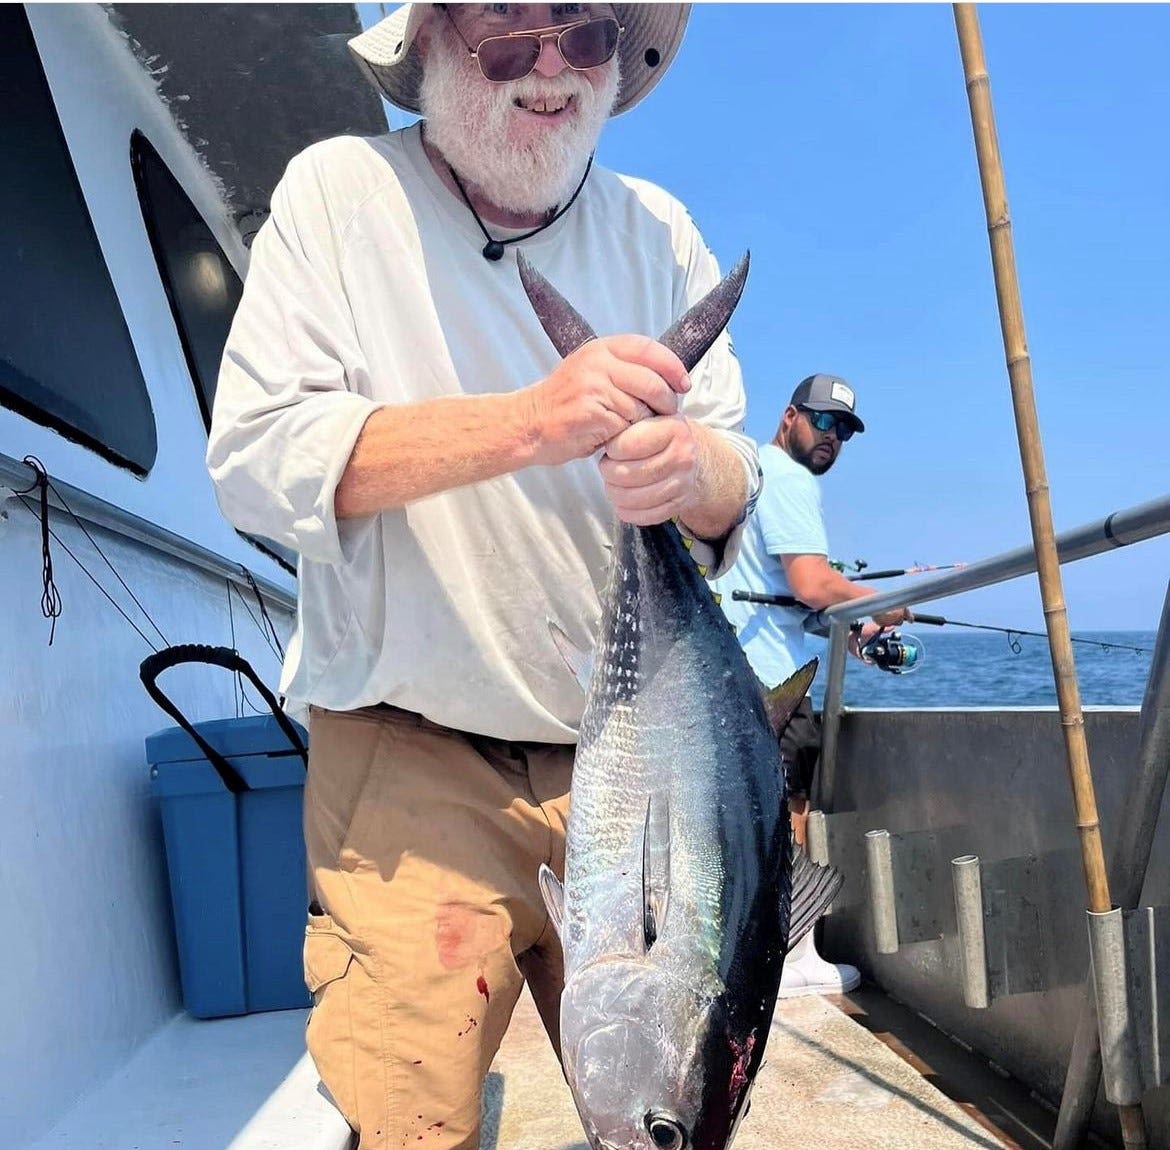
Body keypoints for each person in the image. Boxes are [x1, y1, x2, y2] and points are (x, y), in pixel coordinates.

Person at [206, 5, 760, 1148]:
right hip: (414, 756)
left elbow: (734, 475)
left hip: (636, 755)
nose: (550, 71)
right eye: (510, 33)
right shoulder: (341, 195)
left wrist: (687, 466)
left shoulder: (658, 231)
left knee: (671, 1094)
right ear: (433, 45)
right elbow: (258, 461)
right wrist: (528, 423)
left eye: (586, 34)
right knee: (412, 1114)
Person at [713, 372, 912, 998]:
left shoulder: (755, 475)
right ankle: (792, 952)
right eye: (823, 422)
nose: (832, 439)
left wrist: (847, 625)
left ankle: (748, 946)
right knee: (787, 817)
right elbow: (810, 583)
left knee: (743, 821)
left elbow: (789, 597)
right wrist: (886, 601)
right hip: (776, 683)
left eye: (844, 431)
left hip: (738, 675)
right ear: (789, 417)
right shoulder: (791, 480)